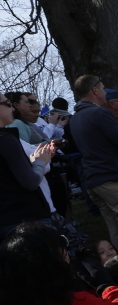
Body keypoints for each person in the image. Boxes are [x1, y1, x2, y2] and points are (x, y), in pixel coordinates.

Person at [71, 75, 118, 256]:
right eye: (102, 88)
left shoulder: (76, 118)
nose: (104, 92)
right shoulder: (99, 113)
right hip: (113, 178)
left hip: (94, 180)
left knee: (115, 228)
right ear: (95, 90)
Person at [0, 92, 53, 237]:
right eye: (7, 104)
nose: (12, 109)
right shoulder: (6, 140)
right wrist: (40, 161)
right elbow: (30, 182)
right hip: (26, 220)